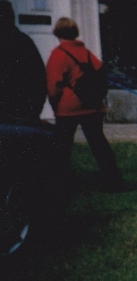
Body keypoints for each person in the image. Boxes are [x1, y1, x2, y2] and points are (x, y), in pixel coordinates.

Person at [46, 17, 125, 192]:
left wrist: (55, 105)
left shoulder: (58, 55)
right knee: (99, 144)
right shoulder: (88, 53)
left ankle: (59, 184)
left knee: (62, 148)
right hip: (93, 105)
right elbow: (100, 72)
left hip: (68, 108)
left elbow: (53, 87)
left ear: (57, 33)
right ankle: (114, 180)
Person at [0, 0, 47, 125]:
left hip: (18, 113)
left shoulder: (23, 43)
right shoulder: (24, 42)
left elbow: (39, 78)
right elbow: (40, 78)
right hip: (22, 112)